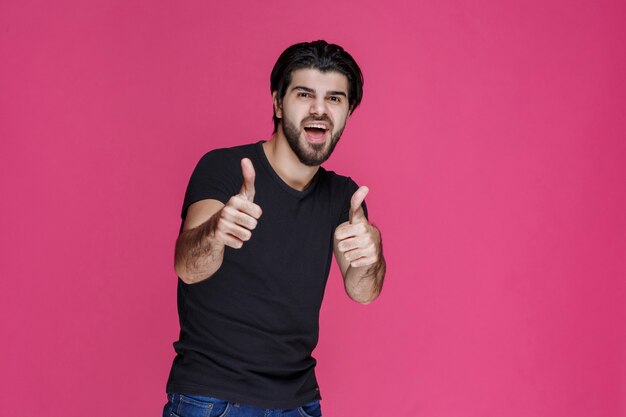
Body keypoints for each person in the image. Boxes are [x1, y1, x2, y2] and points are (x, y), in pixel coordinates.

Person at [163, 40, 386, 417]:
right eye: (304, 94)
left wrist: (371, 257)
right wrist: (216, 232)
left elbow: (363, 291)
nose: (319, 109)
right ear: (278, 103)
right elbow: (187, 266)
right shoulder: (223, 168)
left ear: (349, 111)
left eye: (335, 98)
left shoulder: (344, 196)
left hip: (298, 404)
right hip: (211, 399)